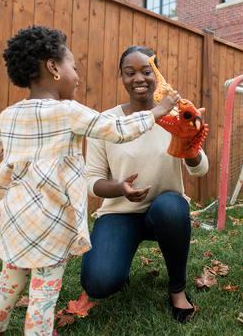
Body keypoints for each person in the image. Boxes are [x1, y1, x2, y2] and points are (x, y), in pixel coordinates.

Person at [0, 26, 179, 336]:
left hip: (14, 217)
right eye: (73, 67)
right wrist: (160, 109)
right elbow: (119, 130)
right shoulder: (68, 112)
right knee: (44, 290)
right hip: (51, 221)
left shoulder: (9, 115)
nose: (78, 76)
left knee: (10, 279)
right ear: (54, 68)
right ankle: (40, 331)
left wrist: (12, 130)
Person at [80, 46, 208, 324]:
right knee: (99, 285)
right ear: (122, 78)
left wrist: (191, 149)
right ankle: (119, 260)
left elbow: (200, 169)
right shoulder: (106, 122)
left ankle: (177, 290)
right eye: (130, 73)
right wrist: (119, 189)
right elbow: (91, 181)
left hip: (164, 211)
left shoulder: (177, 115)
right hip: (119, 213)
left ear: (157, 75)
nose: (139, 78)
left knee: (172, 206)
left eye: (146, 71)